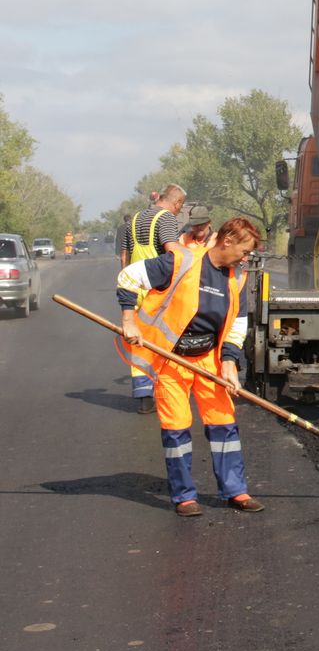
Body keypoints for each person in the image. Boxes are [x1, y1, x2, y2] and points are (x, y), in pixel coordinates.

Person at [116, 217, 265, 517]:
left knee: (224, 423)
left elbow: (237, 322)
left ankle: (236, 491)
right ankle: (184, 496)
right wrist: (128, 320)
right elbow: (128, 278)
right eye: (245, 250)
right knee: (177, 427)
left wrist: (229, 362)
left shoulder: (236, 277)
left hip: (209, 358)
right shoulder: (180, 262)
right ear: (227, 241)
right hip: (171, 358)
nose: (246, 258)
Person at [123, 185, 187, 412]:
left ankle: (143, 395)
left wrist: (127, 287)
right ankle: (166, 391)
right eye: (180, 208)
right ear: (177, 203)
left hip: (135, 288)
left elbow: (126, 256)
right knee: (164, 341)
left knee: (139, 343)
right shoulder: (166, 219)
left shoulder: (136, 218)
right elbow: (173, 252)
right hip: (157, 291)